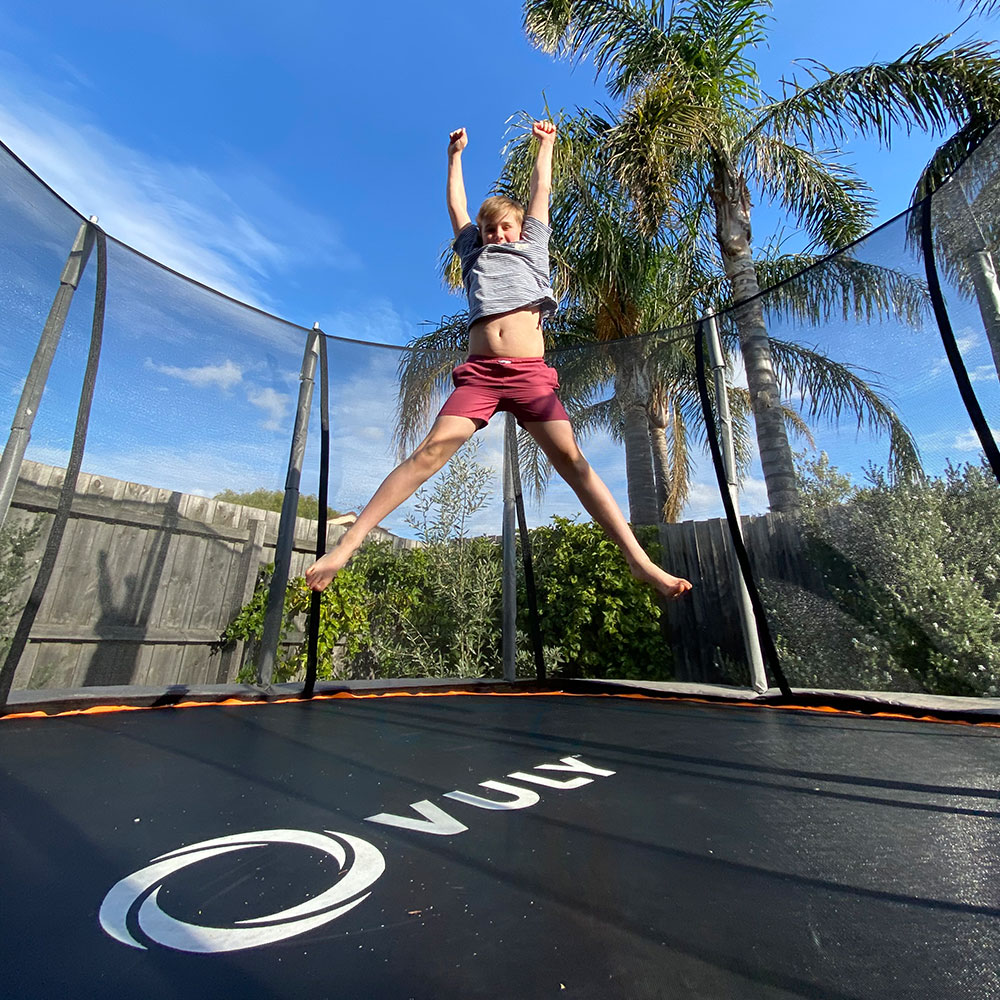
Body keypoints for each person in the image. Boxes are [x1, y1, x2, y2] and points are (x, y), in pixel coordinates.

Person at [305, 120, 692, 600]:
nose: (497, 234)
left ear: (520, 229)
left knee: (573, 461)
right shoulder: (472, 253)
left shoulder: (533, 246)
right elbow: (456, 206)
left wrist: (545, 145)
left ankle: (640, 561)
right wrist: (454, 157)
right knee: (429, 453)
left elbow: (541, 190)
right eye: (490, 229)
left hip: (531, 377)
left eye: (504, 226)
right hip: (482, 377)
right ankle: (347, 545)